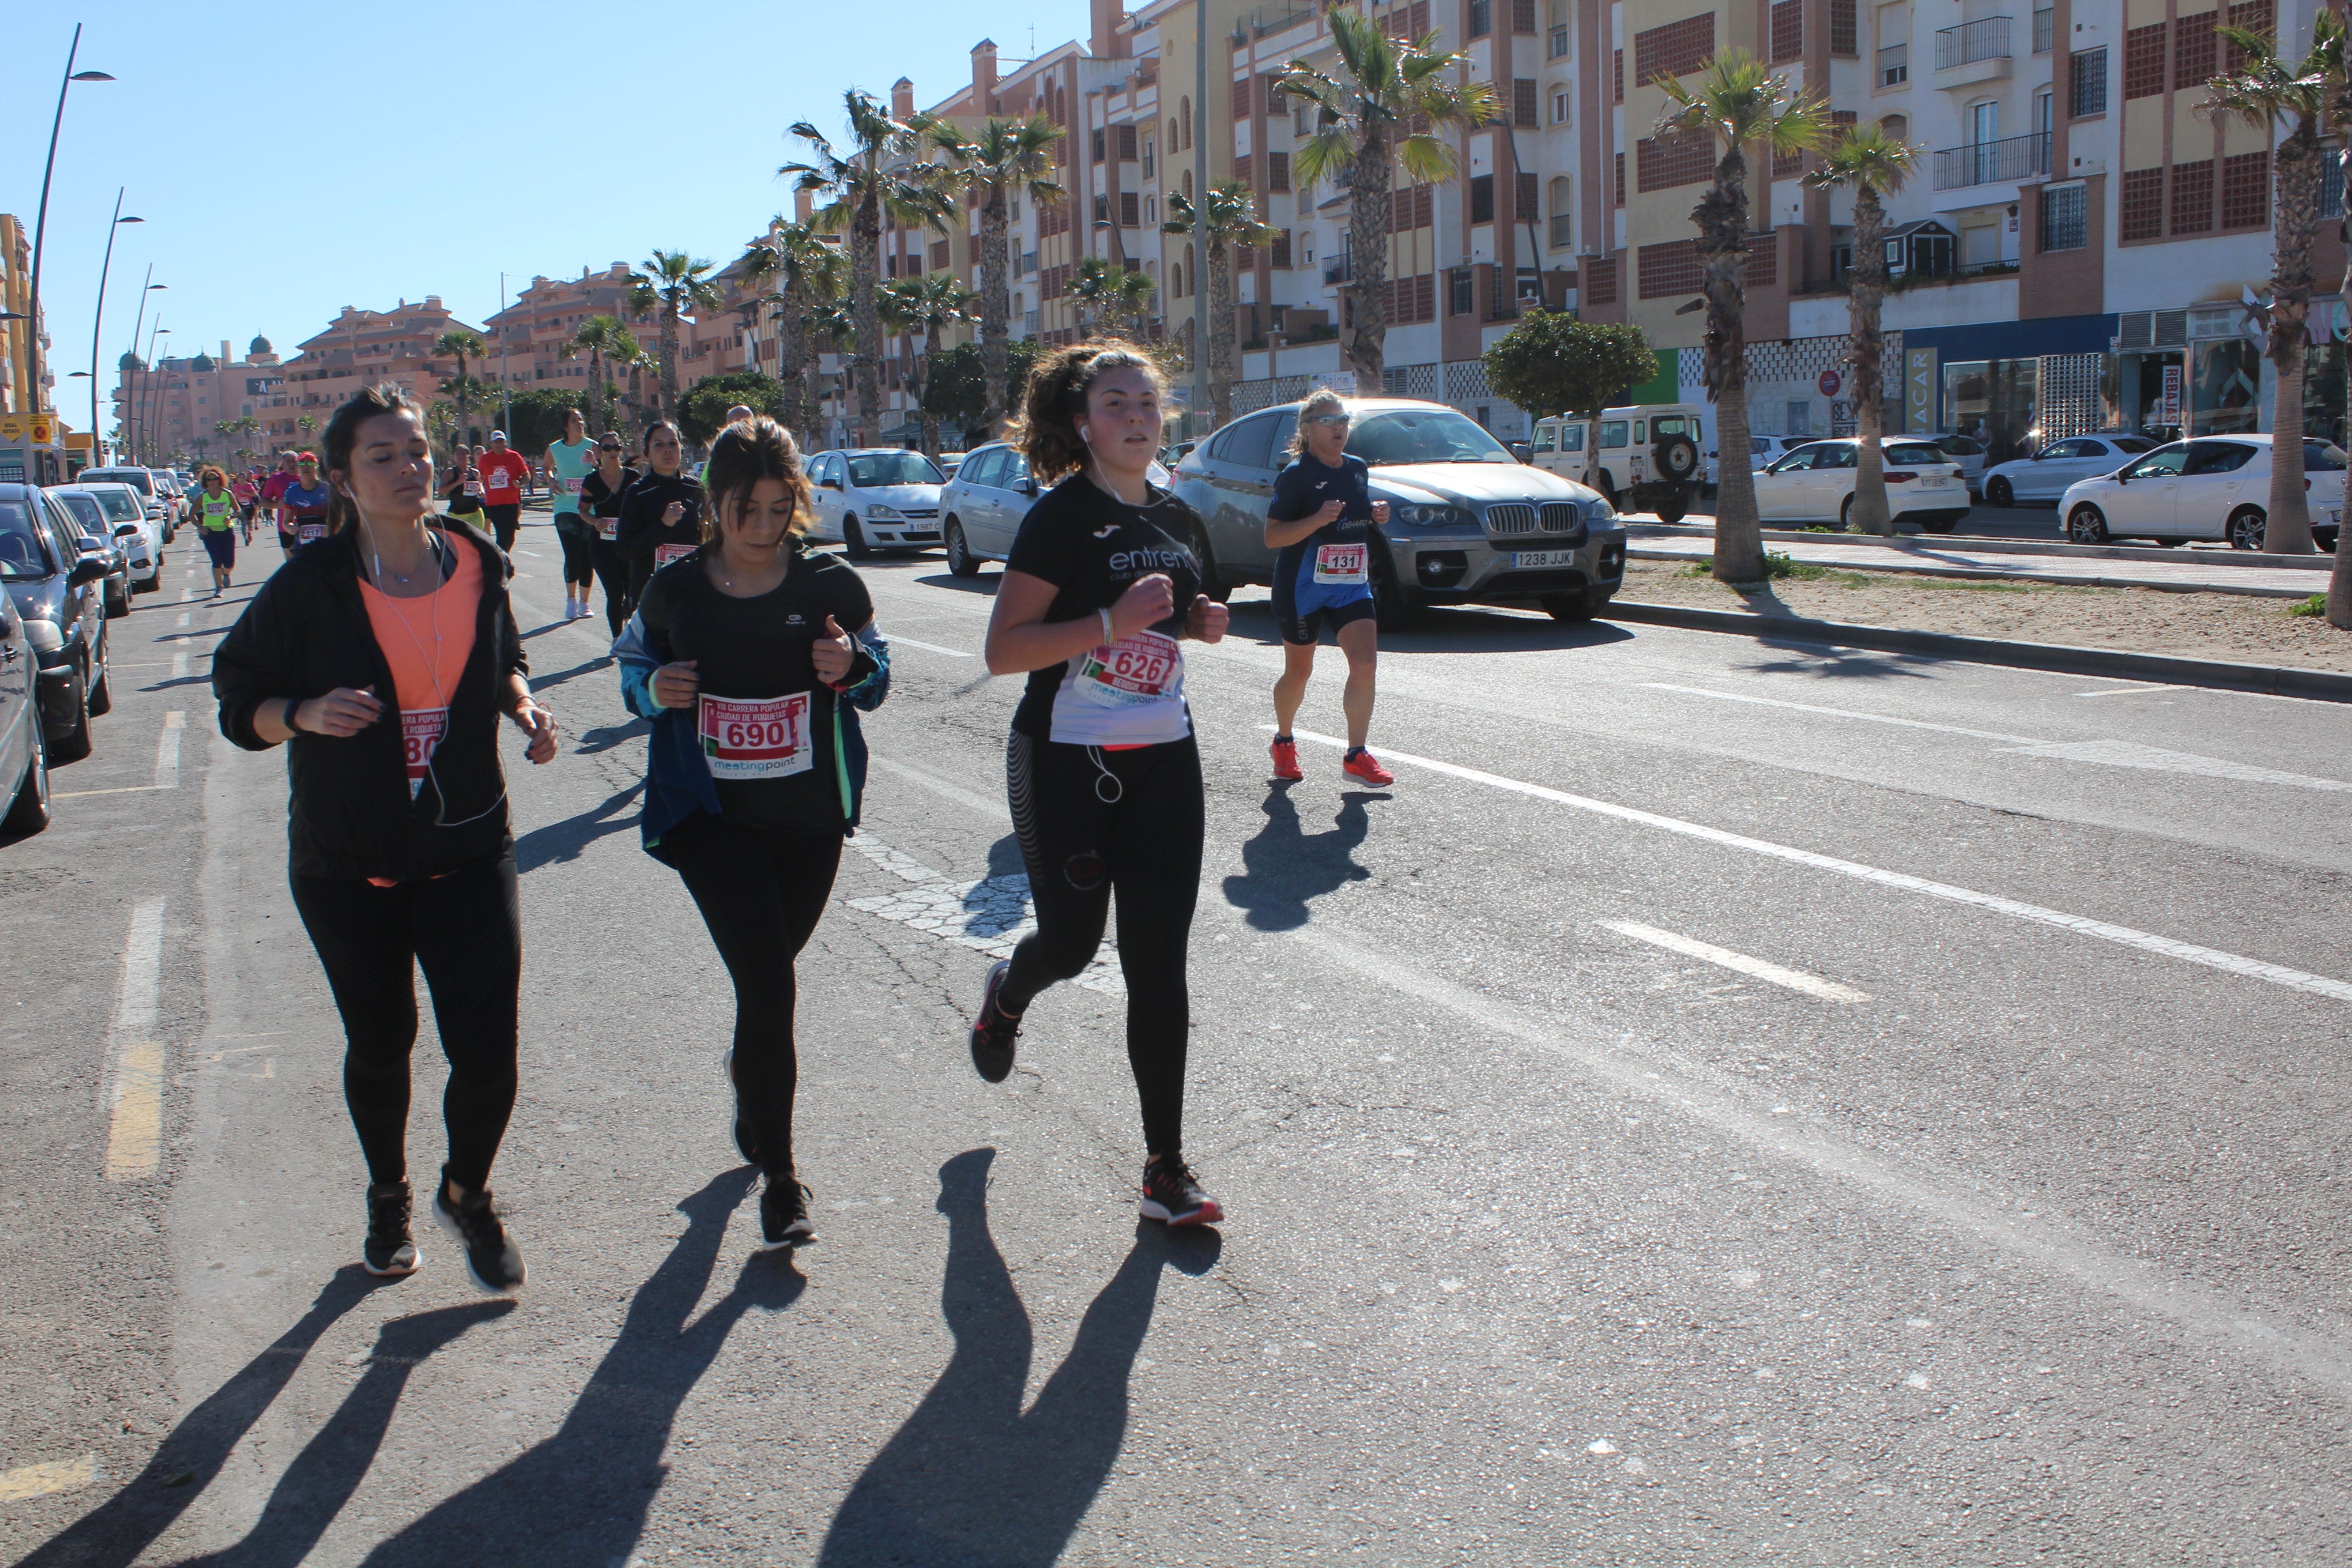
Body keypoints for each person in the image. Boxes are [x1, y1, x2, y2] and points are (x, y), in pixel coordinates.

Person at [212, 382, 558, 1293]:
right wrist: (304, 712)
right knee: (384, 1039)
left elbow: (504, 657)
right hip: (348, 860)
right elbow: (236, 701)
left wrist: (523, 707)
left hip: (470, 845)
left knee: (488, 1052)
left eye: (419, 452)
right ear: (343, 480)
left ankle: (467, 1191)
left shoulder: (480, 561)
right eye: (384, 457)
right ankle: (388, 1194)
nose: (411, 469)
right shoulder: (307, 589)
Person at [968, 344, 1230, 1228]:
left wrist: (1197, 623)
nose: (1136, 417)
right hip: (1066, 764)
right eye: (1116, 402)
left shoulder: (1176, 516)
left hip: (1164, 762)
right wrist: (1109, 622)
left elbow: (1171, 625)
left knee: (1159, 966)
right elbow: (1005, 651)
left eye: (1149, 402)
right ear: (1082, 423)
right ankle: (1007, 995)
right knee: (1074, 949)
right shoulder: (1060, 518)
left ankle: (1165, 1168)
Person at [612, 415, 890, 1249]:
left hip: (807, 815)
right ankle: (783, 1179)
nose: (764, 527)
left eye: (780, 509)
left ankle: (749, 1077)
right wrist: (653, 688)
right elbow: (630, 666)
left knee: (767, 977)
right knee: (770, 984)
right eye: (747, 510)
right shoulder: (677, 591)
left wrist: (855, 670)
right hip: (711, 818)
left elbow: (877, 678)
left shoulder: (829, 587)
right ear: (715, 503)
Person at [1264, 389, 1393, 787]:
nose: (1338, 428)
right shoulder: (1297, 474)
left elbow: (1354, 515)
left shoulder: (1356, 468)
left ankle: (1356, 755)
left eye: (1343, 420)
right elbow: (1273, 536)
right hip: (1302, 586)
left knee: (1366, 663)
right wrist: (1317, 519)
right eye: (1328, 421)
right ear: (1307, 429)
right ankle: (1283, 741)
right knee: (1299, 672)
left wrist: (1376, 516)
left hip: (1350, 584)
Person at [612, 421, 703, 606]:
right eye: (659, 444)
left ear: (681, 448)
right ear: (648, 452)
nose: (667, 450)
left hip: (691, 588)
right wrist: (662, 525)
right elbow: (624, 549)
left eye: (673, 443)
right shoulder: (637, 492)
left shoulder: (695, 487)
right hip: (651, 592)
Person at [577, 431, 638, 635]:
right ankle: (617, 638)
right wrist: (595, 521)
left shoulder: (633, 478)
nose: (613, 452)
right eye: (607, 448)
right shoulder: (592, 480)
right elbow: (583, 511)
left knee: (631, 592)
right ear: (599, 453)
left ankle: (630, 629)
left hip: (628, 543)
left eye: (617, 447)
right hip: (602, 545)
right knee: (614, 591)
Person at [544, 407, 600, 621]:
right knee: (572, 553)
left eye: (581, 419)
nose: (580, 423)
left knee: (587, 557)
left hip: (588, 509)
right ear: (566, 426)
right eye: (575, 420)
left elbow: (603, 472)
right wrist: (550, 480)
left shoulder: (592, 446)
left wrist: (595, 463)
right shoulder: (555, 448)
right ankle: (571, 600)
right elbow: (546, 467)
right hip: (565, 507)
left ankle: (585, 603)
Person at [476, 431, 530, 551]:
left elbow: (527, 475)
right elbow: (479, 477)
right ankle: (502, 560)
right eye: (496, 442)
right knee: (502, 533)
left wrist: (520, 482)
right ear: (491, 444)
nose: (499, 445)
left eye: (501, 442)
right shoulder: (485, 459)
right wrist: (479, 487)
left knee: (510, 536)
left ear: (506, 443)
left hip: (512, 502)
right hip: (494, 504)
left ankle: (501, 557)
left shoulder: (514, 456)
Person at [192, 466, 239, 596]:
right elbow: (192, 514)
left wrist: (231, 517)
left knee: (229, 562)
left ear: (220, 480)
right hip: (211, 532)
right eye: (209, 479)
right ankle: (218, 588)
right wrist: (200, 527)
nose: (212, 481)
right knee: (217, 560)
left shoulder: (227, 494)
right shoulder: (203, 497)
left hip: (226, 530)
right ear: (205, 481)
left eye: (215, 478)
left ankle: (226, 572)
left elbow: (238, 510)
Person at [280, 454, 334, 555]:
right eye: (301, 464)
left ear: (316, 467)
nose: (306, 467)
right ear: (297, 468)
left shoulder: (327, 489)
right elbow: (287, 521)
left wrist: (331, 529)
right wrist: (290, 528)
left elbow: (339, 517)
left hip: (326, 541)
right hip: (302, 542)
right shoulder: (292, 492)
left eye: (310, 463)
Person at [261, 451, 301, 556]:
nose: (292, 464)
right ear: (283, 464)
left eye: (295, 461)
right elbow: (264, 502)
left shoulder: (306, 476)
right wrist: (277, 505)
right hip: (285, 527)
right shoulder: (275, 479)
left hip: (306, 525)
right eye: (289, 461)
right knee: (292, 562)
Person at [233, 470, 259, 544]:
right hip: (241, 506)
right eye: (240, 478)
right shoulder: (236, 486)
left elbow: (255, 494)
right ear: (238, 479)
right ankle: (245, 538)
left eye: (243, 478)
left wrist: (245, 493)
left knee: (249, 522)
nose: (241, 479)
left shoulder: (249, 485)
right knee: (243, 523)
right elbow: (233, 495)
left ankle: (249, 533)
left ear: (245, 478)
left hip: (249, 506)